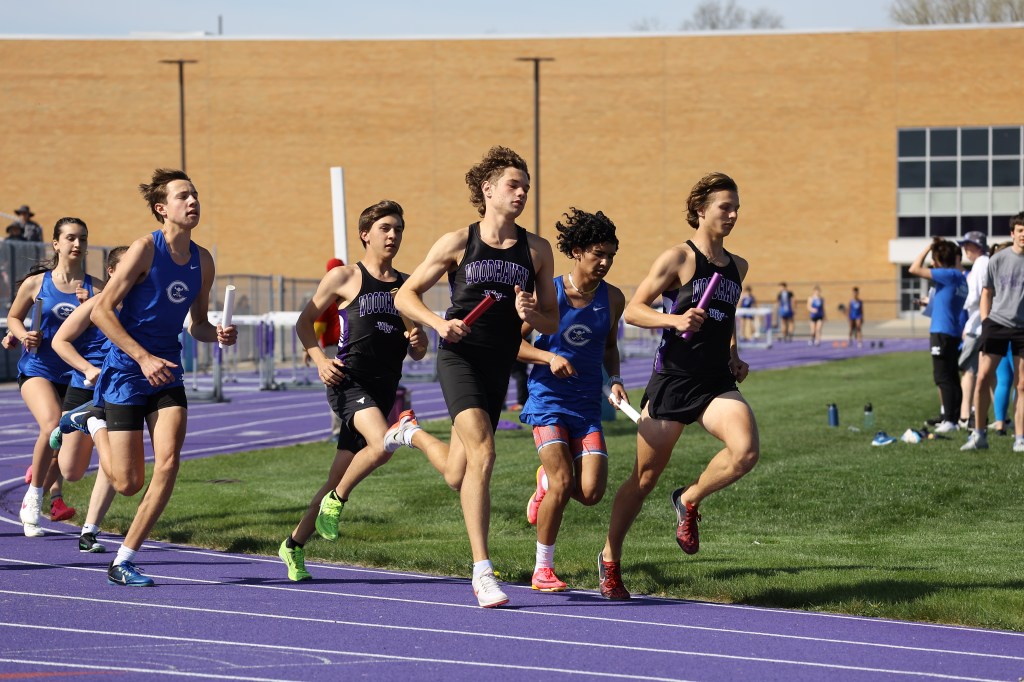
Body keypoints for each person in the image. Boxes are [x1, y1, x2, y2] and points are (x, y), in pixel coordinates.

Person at [394, 145, 559, 608]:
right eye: (513, 184)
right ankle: (483, 571)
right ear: (488, 190)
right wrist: (437, 323)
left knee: (457, 471)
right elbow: (405, 296)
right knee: (484, 452)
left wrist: (533, 312)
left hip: (499, 363)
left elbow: (551, 322)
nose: (522, 193)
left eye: (526, 186)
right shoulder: (456, 243)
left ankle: (412, 435)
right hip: (459, 357)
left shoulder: (536, 249)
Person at [598, 172, 758, 601]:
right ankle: (610, 558)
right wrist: (674, 320)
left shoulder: (738, 267)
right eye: (725, 206)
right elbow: (633, 310)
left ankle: (688, 500)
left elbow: (725, 320)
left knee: (745, 451)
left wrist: (733, 354)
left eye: (736, 206)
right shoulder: (679, 259)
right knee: (644, 478)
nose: (733, 214)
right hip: (674, 379)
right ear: (701, 209)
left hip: (714, 382)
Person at [88, 169, 236, 586]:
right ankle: (92, 421)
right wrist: (142, 356)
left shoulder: (203, 260)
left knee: (168, 463)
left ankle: (124, 558)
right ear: (161, 208)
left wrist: (217, 334)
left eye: (196, 195)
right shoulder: (143, 251)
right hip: (125, 373)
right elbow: (101, 311)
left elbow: (199, 323)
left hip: (167, 372)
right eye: (183, 196)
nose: (193, 202)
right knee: (128, 482)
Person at [277, 200, 429, 581]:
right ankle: (337, 501)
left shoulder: (406, 287)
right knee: (383, 444)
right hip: (348, 381)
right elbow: (304, 322)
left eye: (398, 229)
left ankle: (293, 545)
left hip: (383, 390)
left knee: (337, 474)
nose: (393, 235)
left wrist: (418, 340)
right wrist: (319, 360)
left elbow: (418, 349)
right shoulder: (345, 277)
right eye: (385, 228)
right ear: (366, 234)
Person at [517, 207, 626, 592]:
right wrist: (549, 357)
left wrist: (614, 379)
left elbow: (610, 346)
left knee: (591, 493)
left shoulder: (613, 298)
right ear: (577, 251)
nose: (605, 262)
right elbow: (513, 344)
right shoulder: (550, 293)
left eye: (611, 254)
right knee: (565, 483)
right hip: (548, 400)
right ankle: (542, 569)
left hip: (586, 407)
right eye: (598, 253)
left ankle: (543, 482)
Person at [7, 217, 95, 536]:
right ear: (56, 243)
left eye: (82, 239)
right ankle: (33, 498)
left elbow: (111, 325)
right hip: (38, 368)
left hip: (75, 372)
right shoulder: (37, 283)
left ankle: (46, 481)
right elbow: (14, 317)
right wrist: (22, 334)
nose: (77, 244)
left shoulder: (95, 287)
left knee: (62, 444)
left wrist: (93, 308)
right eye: (70, 238)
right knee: (51, 423)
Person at [963, 213, 1024, 452]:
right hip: (996, 325)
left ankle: (1020, 438)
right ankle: (979, 435)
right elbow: (986, 292)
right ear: (1012, 233)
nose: (1023, 233)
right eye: (1020, 230)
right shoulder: (997, 259)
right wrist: (986, 321)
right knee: (982, 379)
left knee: (1021, 386)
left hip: (1022, 328)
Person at [908, 238, 968, 435]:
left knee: (942, 377)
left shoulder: (949, 274)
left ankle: (950, 419)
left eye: (934, 260)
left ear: (940, 259)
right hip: (951, 332)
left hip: (942, 332)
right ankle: (955, 417)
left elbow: (914, 268)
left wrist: (928, 247)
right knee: (951, 376)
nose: (932, 264)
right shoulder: (959, 276)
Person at [303, 257, 345, 439]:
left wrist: (308, 350)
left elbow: (318, 326)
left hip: (332, 349)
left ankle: (337, 431)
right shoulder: (351, 292)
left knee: (335, 390)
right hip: (351, 346)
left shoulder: (328, 297)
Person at [957, 231, 990, 429]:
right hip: (980, 324)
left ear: (977, 245)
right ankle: (1000, 418)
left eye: (968, 245)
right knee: (989, 375)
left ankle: (965, 416)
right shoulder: (984, 263)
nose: (965, 250)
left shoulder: (980, 264)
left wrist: (959, 303)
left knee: (968, 371)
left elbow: (975, 295)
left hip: (977, 326)